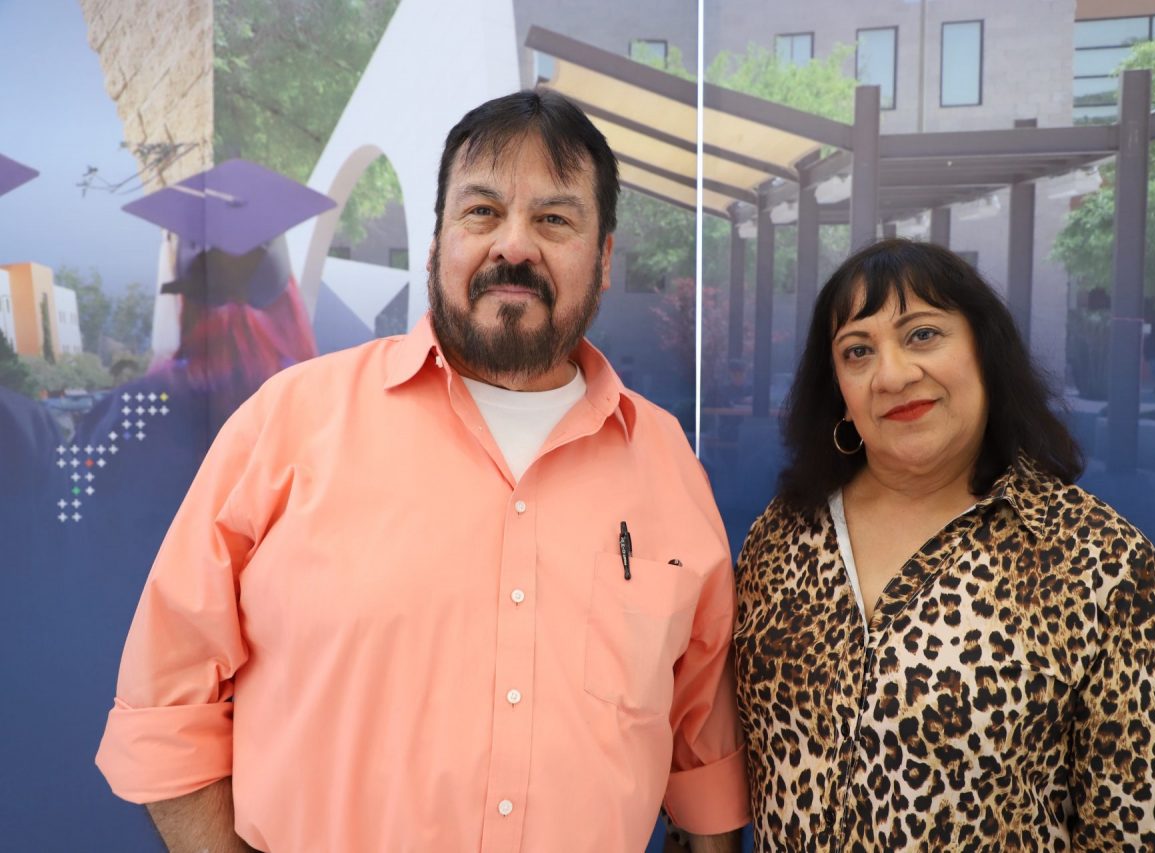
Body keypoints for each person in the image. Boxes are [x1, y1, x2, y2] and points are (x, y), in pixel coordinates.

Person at [96, 90, 748, 852]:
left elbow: (702, 757)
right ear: (437, 243)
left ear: (603, 260)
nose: (514, 245)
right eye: (482, 212)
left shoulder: (666, 464)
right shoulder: (290, 424)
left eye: (554, 219)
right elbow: (164, 707)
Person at [733, 239, 1155, 850]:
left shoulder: (1098, 559)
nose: (893, 375)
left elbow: (1149, 828)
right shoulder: (782, 535)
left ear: (986, 351)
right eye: (857, 351)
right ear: (839, 391)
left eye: (923, 334)